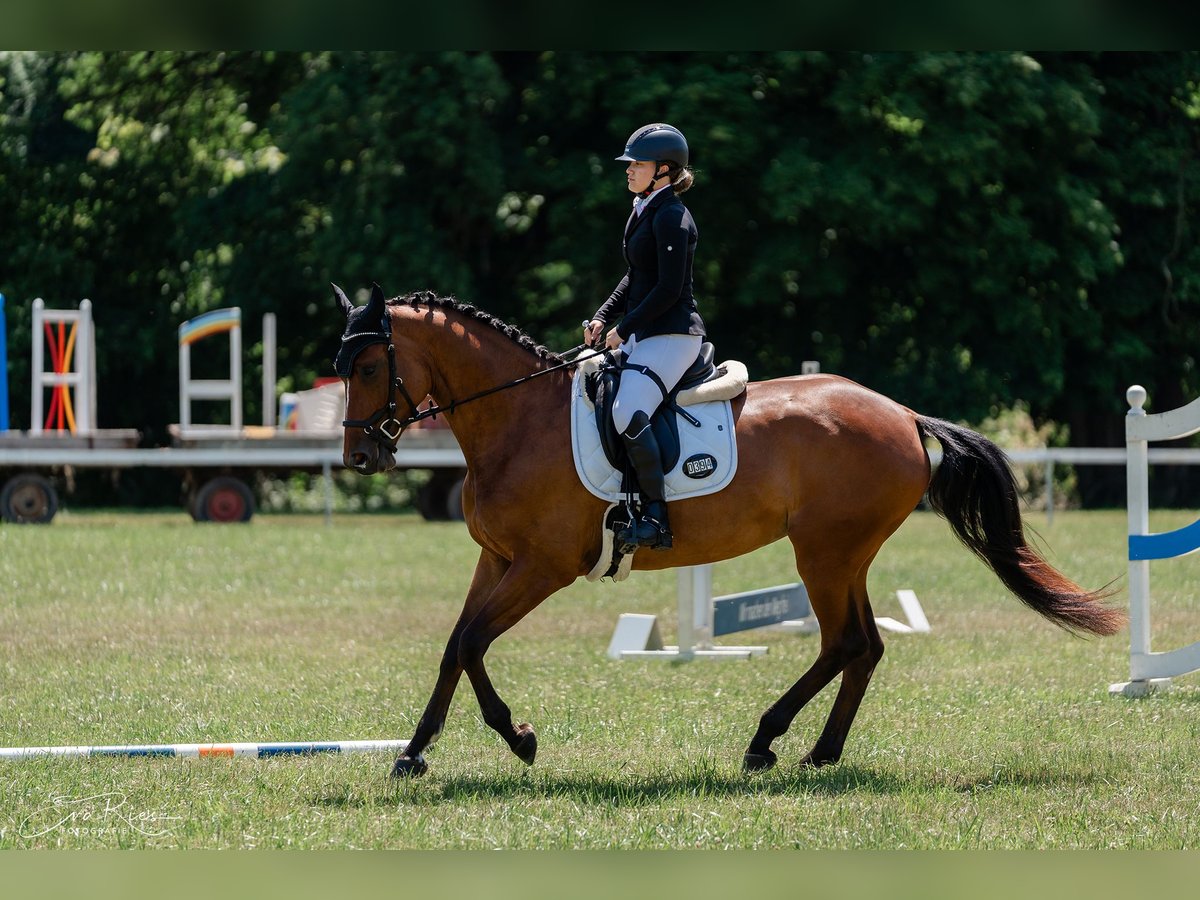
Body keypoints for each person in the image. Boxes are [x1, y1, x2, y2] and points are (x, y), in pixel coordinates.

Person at [583, 122, 705, 552]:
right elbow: (635, 276)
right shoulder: (645, 208)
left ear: (664, 169)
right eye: (630, 164)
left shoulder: (672, 216)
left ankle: (656, 516)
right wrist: (603, 316)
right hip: (646, 332)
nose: (629, 170)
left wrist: (625, 327)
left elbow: (668, 289)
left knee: (627, 410)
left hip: (673, 335)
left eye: (638, 163)